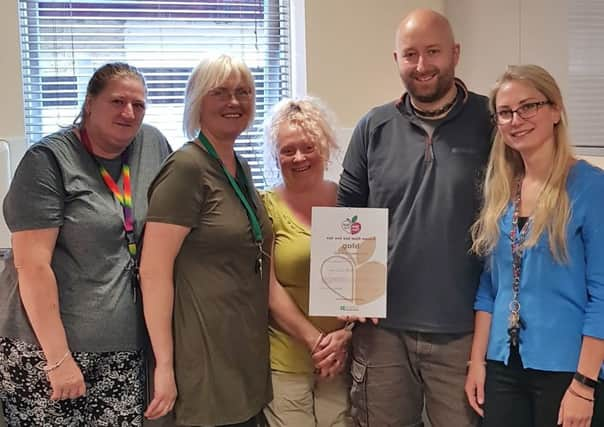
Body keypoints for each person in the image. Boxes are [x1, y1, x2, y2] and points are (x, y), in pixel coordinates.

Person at [337, 8, 494, 427]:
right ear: (396, 60)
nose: (422, 66)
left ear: (455, 54)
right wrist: (350, 295)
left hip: (462, 330)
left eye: (433, 52)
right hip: (382, 331)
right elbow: (347, 214)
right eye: (410, 54)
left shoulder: (492, 121)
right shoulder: (374, 126)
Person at [0, 62, 172, 425]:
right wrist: (59, 360)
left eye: (139, 104)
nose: (129, 113)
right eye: (118, 101)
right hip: (46, 351)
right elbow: (31, 266)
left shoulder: (153, 145)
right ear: (89, 103)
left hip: (123, 347)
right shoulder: (47, 161)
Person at [465, 64, 604, 427]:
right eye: (505, 112)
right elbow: (488, 289)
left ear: (555, 110)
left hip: (567, 371)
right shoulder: (501, 191)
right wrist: (478, 362)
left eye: (529, 106)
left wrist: (585, 385)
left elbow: (603, 296)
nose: (516, 120)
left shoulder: (590, 188)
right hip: (502, 368)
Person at [139, 54, 272, 427]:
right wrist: (164, 366)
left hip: (242, 350)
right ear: (197, 100)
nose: (234, 102)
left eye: (243, 92)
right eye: (220, 92)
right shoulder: (186, 168)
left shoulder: (240, 166)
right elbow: (153, 272)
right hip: (203, 356)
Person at [261, 97, 352, 427]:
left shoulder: (350, 202)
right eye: (288, 150)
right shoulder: (265, 206)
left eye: (308, 147)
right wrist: (316, 341)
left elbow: (368, 282)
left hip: (343, 358)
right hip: (287, 360)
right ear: (275, 155)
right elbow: (267, 287)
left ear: (324, 147)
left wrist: (347, 336)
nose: (299, 157)